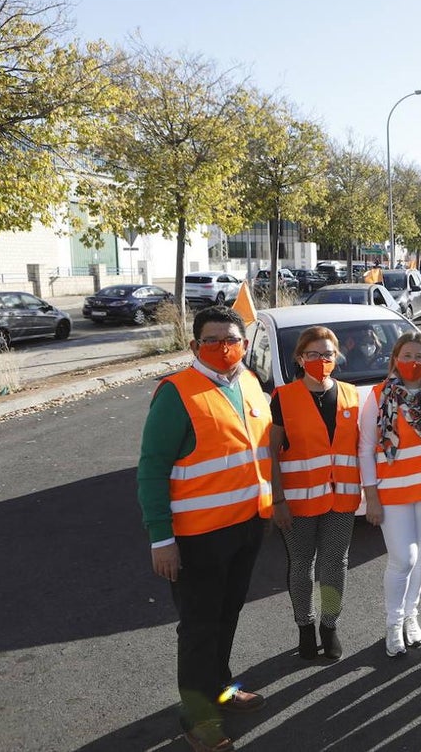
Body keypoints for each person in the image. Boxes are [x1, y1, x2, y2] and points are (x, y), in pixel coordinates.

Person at [137, 306, 271, 752]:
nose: (222, 348)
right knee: (198, 627)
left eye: (230, 340)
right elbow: (152, 469)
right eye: (211, 341)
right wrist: (161, 539)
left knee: (226, 615)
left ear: (244, 344)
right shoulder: (177, 393)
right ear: (195, 346)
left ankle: (219, 687)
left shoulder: (249, 383)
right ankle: (197, 716)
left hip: (246, 527)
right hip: (197, 538)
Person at [269, 326, 360, 663]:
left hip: (342, 499)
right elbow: (270, 453)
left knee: (335, 564)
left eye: (327, 354)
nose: (321, 360)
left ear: (337, 357)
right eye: (313, 354)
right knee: (301, 565)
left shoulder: (352, 395)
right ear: (299, 358)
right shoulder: (284, 397)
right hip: (298, 502)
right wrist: (278, 500)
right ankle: (305, 626)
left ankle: (329, 625)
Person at [359, 331, 421, 657]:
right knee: (403, 558)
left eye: (420, 356)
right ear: (395, 359)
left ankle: (412, 615)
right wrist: (371, 496)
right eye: (407, 356)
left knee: (420, 554)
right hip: (393, 490)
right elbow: (366, 448)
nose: (414, 362)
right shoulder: (379, 396)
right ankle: (393, 623)